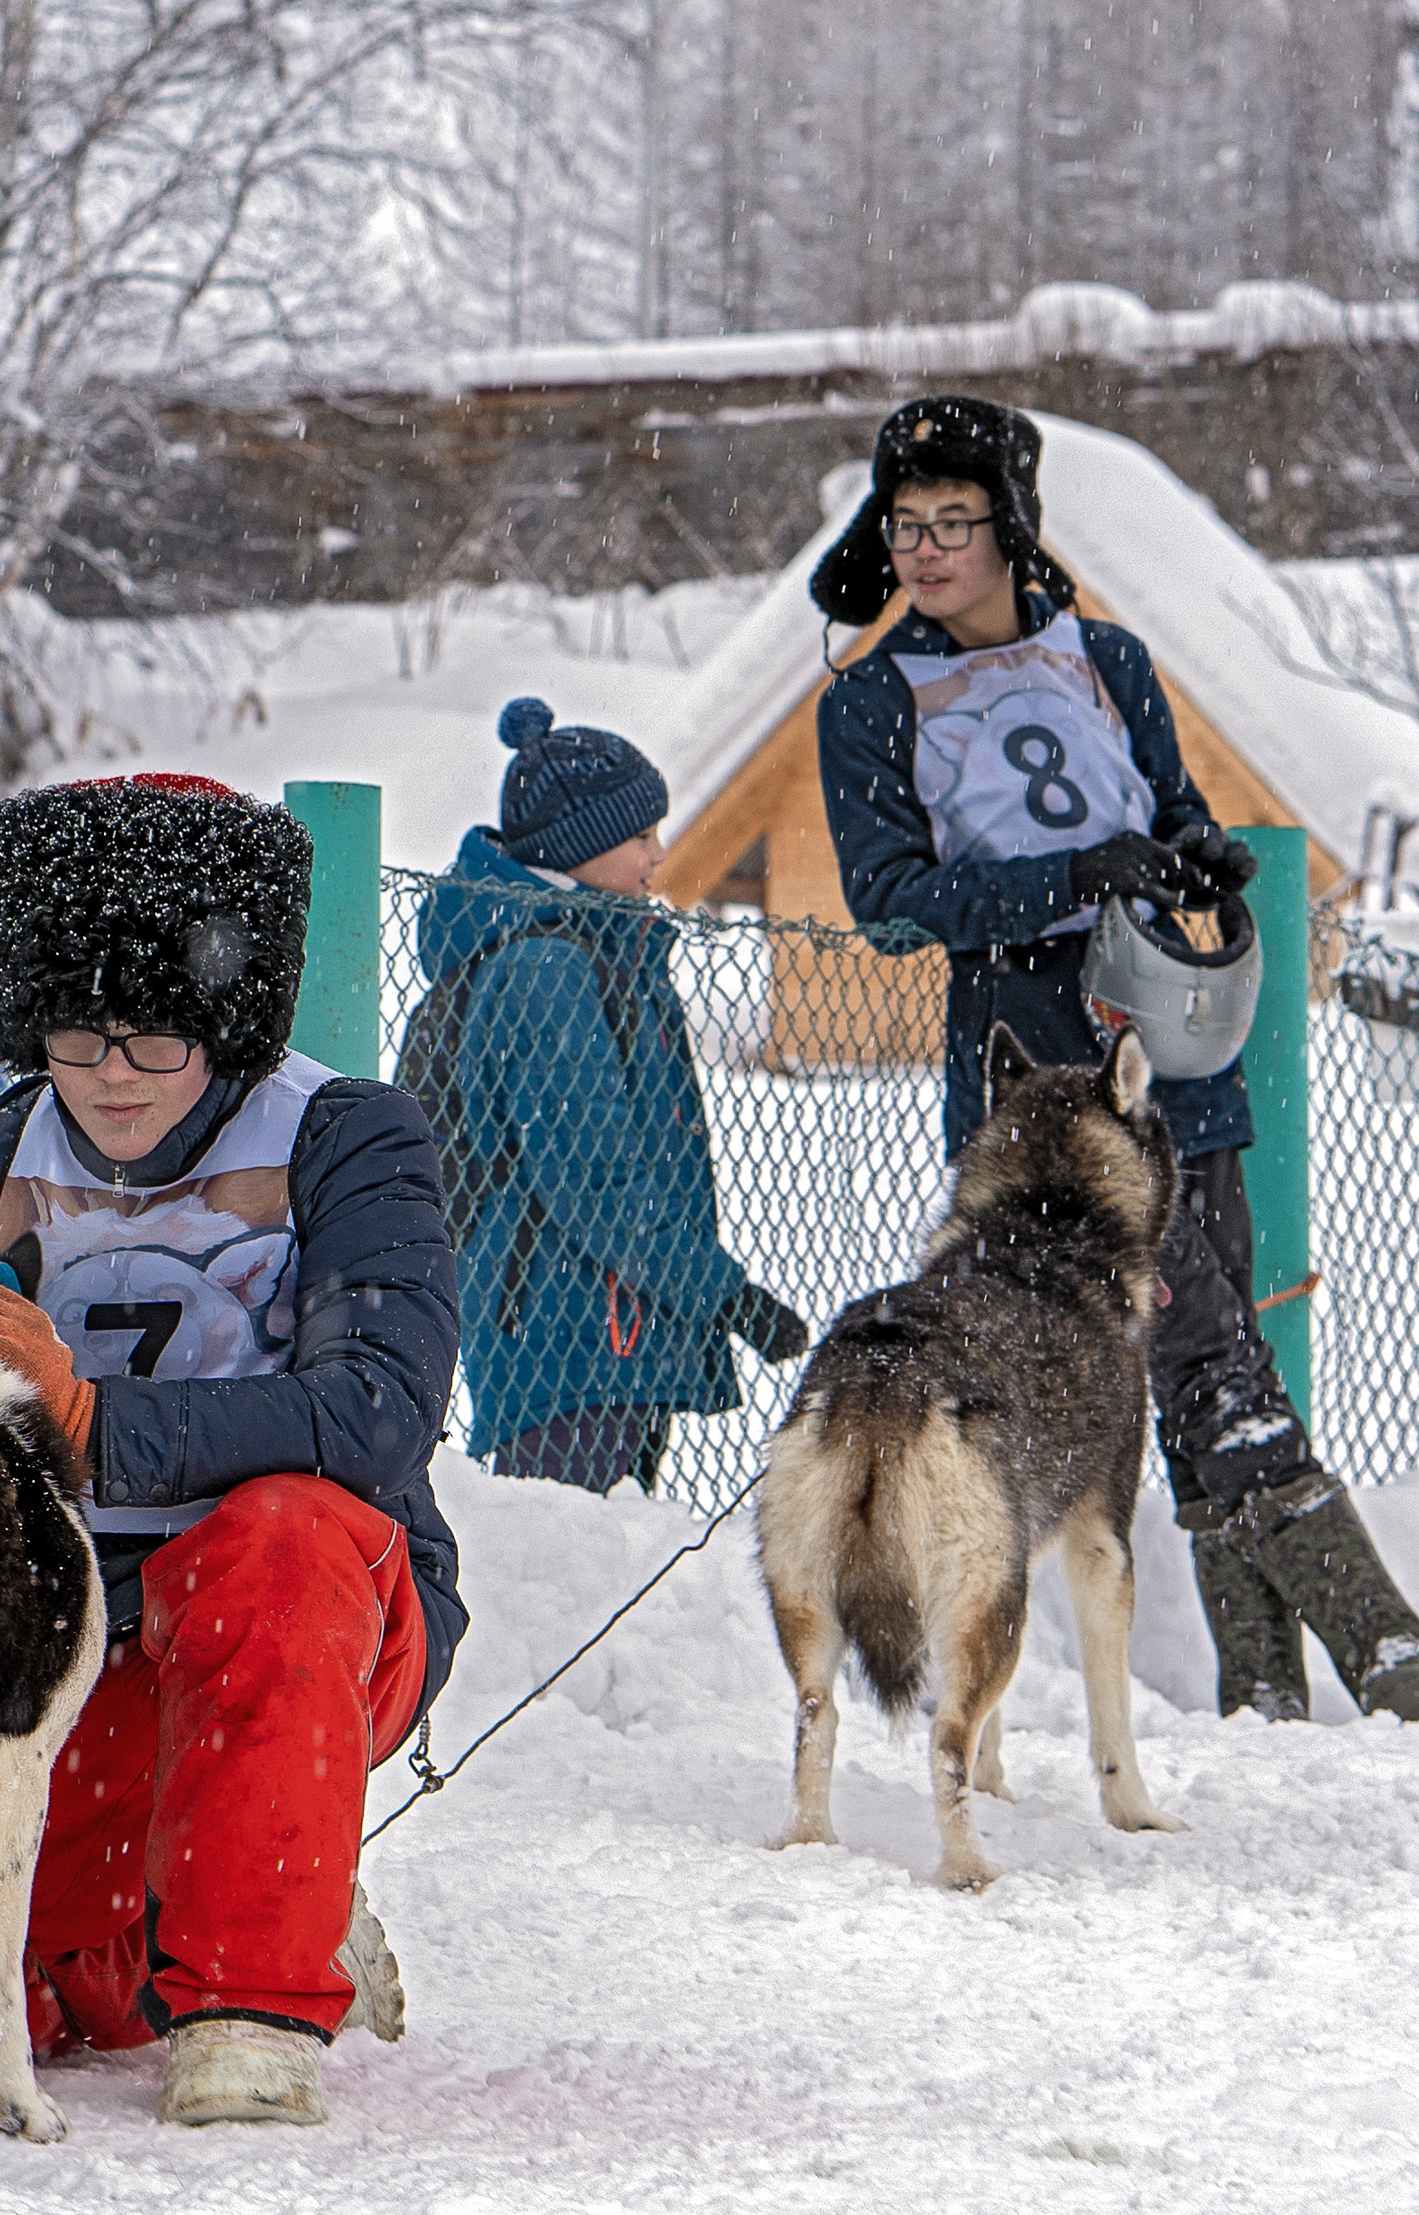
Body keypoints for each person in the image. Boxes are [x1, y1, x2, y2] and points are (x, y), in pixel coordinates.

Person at [0, 771, 463, 2128]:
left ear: (226, 1023)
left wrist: (90, 1425)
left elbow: (378, 1409)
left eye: (155, 1036)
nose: (111, 1072)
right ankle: (254, 1896)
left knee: (276, 1531)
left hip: (314, 1617)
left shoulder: (348, 1135)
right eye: (77, 1032)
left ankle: (252, 2009)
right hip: (80, 1636)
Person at [811, 393, 1419, 1722]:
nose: (926, 548)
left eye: (955, 520)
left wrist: (1194, 857)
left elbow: (1173, 806)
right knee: (1196, 1343)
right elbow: (893, 901)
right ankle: (1384, 1648)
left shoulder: (1108, 658)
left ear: (1011, 525)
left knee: (1217, 1340)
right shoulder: (869, 701)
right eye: (905, 523)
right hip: (1037, 1082)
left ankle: (1265, 1694)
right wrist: (1067, 878)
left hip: (1172, 1039)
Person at [414, 709, 808, 1490]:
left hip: (604, 1323)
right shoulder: (546, 970)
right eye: (640, 836)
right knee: (570, 1548)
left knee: (606, 1543)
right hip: (566, 1332)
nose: (659, 853)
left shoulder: (601, 947)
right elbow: (593, 1180)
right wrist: (725, 1296)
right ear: (577, 846)